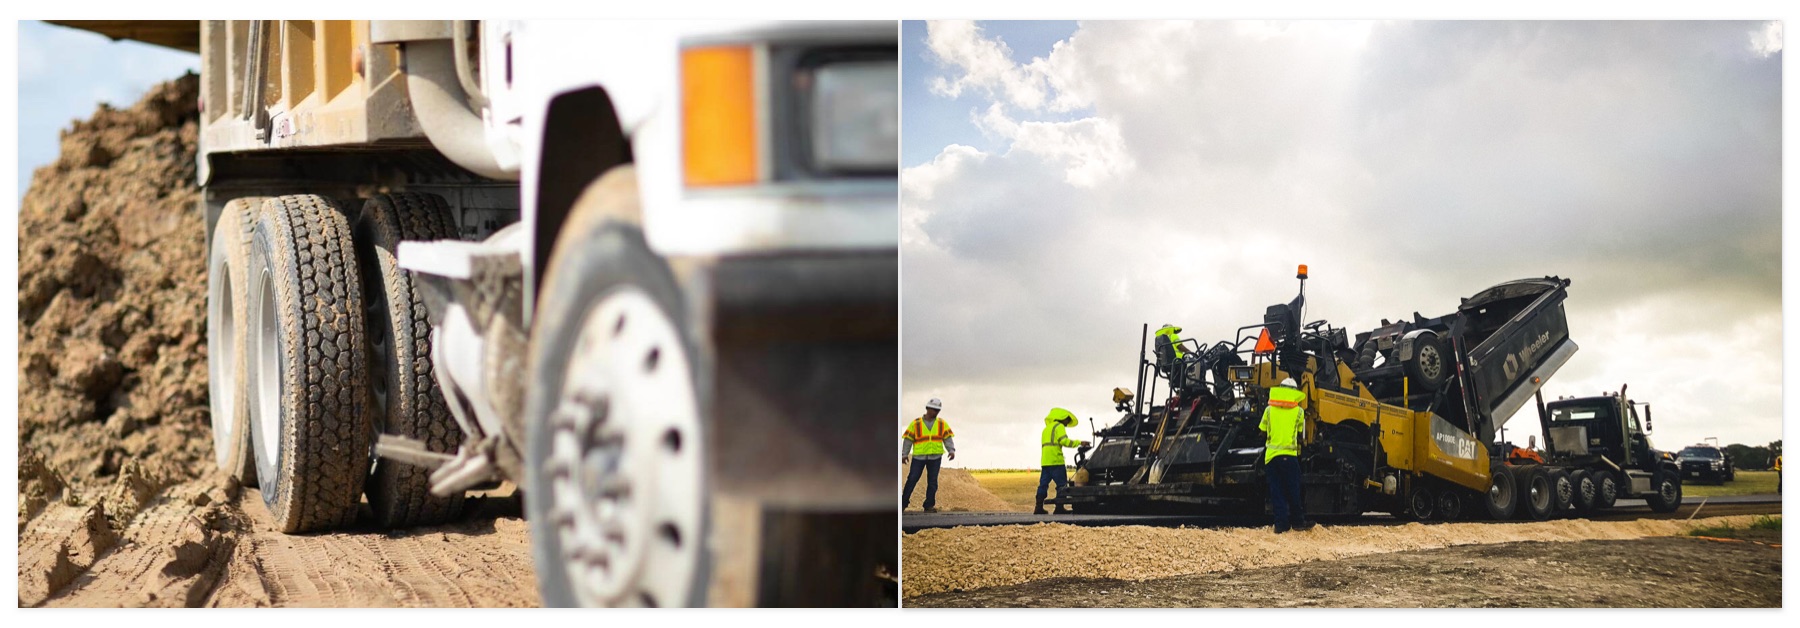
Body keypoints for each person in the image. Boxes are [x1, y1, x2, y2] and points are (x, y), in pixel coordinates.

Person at [1260, 377, 1315, 533]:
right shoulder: (1299, 412)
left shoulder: (1268, 410)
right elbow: (1299, 434)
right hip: (1289, 456)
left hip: (1271, 457)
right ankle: (1298, 522)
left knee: (1277, 491)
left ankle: (1280, 526)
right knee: (1293, 489)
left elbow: (1262, 431)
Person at [901, 398, 955, 513]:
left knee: (932, 481)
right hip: (918, 457)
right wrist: (904, 454)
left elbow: (947, 438)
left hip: (935, 457)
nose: (935, 412)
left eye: (937, 410)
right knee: (912, 479)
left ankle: (929, 505)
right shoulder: (916, 423)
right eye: (933, 409)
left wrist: (951, 450)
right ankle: (902, 504)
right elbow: (908, 439)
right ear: (927, 408)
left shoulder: (941, 423)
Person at [1036, 407, 1089, 515]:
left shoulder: (1046, 429)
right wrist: (1079, 442)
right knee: (1062, 485)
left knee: (1043, 485)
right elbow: (1064, 441)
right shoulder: (1059, 426)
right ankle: (1059, 508)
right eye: (1067, 420)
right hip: (1056, 461)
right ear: (1062, 418)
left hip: (1045, 461)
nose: (1067, 423)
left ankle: (1038, 507)